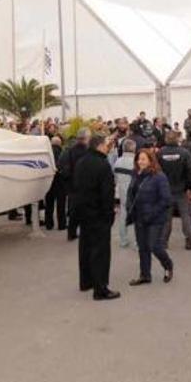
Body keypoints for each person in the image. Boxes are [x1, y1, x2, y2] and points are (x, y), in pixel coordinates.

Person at [73, 134, 120, 300]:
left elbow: (76, 188)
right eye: (107, 144)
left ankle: (86, 281)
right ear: (99, 146)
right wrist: (110, 213)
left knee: (85, 247)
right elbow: (106, 193)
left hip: (83, 212)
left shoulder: (81, 162)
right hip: (99, 214)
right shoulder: (102, 164)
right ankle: (100, 288)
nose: (109, 147)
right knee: (100, 251)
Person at [126, 149, 174, 285]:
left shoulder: (159, 176)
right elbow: (131, 193)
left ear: (151, 160)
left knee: (154, 245)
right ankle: (145, 275)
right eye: (138, 159)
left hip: (155, 218)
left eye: (143, 159)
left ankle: (168, 265)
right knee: (142, 247)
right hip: (139, 217)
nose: (140, 162)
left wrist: (152, 213)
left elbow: (166, 200)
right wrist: (130, 207)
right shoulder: (136, 174)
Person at [159, 131, 191, 250]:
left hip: (165, 190)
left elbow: (156, 171)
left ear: (166, 139)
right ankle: (190, 240)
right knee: (185, 216)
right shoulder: (185, 153)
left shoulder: (160, 153)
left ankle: (163, 241)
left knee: (166, 217)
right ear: (177, 139)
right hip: (181, 189)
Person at [60, 128, 90, 240]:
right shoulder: (87, 152)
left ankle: (71, 233)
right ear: (86, 138)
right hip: (84, 185)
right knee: (85, 210)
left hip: (72, 185)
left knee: (73, 210)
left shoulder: (70, 150)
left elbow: (64, 167)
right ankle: (84, 233)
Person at [113, 139, 137, 249]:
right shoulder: (136, 162)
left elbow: (115, 177)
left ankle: (123, 240)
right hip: (135, 192)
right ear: (133, 148)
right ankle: (137, 242)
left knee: (123, 215)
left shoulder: (117, 161)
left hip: (122, 191)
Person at [44, 136, 67, 230]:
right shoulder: (62, 153)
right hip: (60, 181)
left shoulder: (47, 153)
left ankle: (49, 224)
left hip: (49, 181)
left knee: (49, 204)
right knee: (61, 205)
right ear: (59, 143)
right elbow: (64, 167)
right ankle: (61, 225)